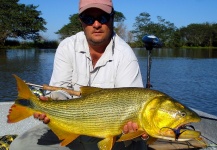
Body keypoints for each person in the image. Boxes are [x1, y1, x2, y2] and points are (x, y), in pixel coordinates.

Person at [10, 0, 149, 149]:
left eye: (102, 17)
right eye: (88, 19)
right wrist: (51, 102)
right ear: (81, 21)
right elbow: (60, 90)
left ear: (112, 18)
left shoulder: (126, 55)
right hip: (70, 123)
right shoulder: (67, 47)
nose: (96, 24)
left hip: (113, 133)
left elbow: (131, 104)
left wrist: (135, 129)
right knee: (19, 147)